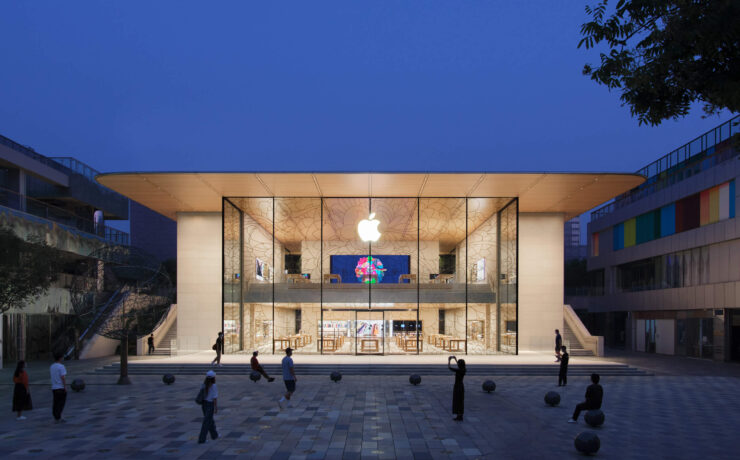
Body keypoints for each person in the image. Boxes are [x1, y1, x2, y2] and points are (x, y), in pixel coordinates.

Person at [198, 370, 219, 443]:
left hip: (204, 404)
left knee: (210, 420)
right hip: (210, 404)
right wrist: (216, 407)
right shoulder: (213, 386)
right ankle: (202, 439)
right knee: (206, 422)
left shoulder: (203, 385)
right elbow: (214, 398)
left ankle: (214, 435)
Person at [50, 352, 67, 423]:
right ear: (60, 358)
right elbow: (63, 377)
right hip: (60, 387)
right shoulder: (61, 366)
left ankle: (56, 416)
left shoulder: (52, 366)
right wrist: (65, 386)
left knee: (55, 403)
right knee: (61, 403)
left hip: (54, 387)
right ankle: (58, 416)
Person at [448, 355, 466, 421]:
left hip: (458, 386)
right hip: (461, 386)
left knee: (457, 401)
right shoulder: (463, 369)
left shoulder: (459, 370)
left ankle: (459, 416)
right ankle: (460, 415)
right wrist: (455, 360)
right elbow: (459, 366)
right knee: (460, 401)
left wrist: (449, 360)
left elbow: (450, 368)